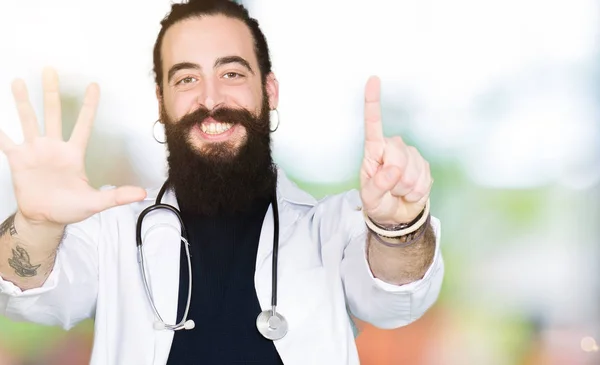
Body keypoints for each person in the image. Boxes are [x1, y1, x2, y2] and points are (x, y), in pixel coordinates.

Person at [0, 0, 444, 364]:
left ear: (269, 91)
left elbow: (395, 302)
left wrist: (397, 227)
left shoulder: (331, 228)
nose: (210, 99)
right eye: (187, 78)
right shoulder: (111, 232)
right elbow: (28, 296)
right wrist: (36, 224)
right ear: (162, 102)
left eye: (231, 73)